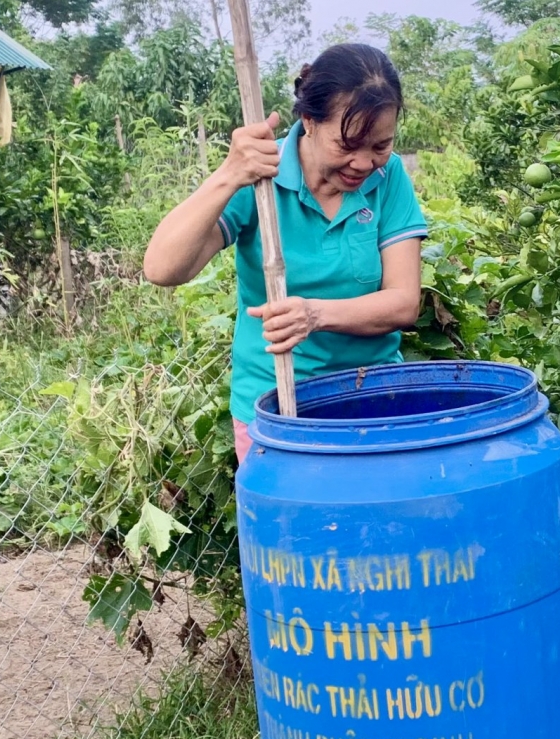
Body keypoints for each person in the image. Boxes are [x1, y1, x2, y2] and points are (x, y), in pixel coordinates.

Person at [143, 43, 428, 463]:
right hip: (278, 408)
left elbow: (403, 303)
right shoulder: (260, 178)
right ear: (309, 121)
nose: (364, 162)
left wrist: (313, 315)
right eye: (347, 144)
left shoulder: (389, 178)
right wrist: (229, 175)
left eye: (380, 145)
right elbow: (162, 268)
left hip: (373, 401)